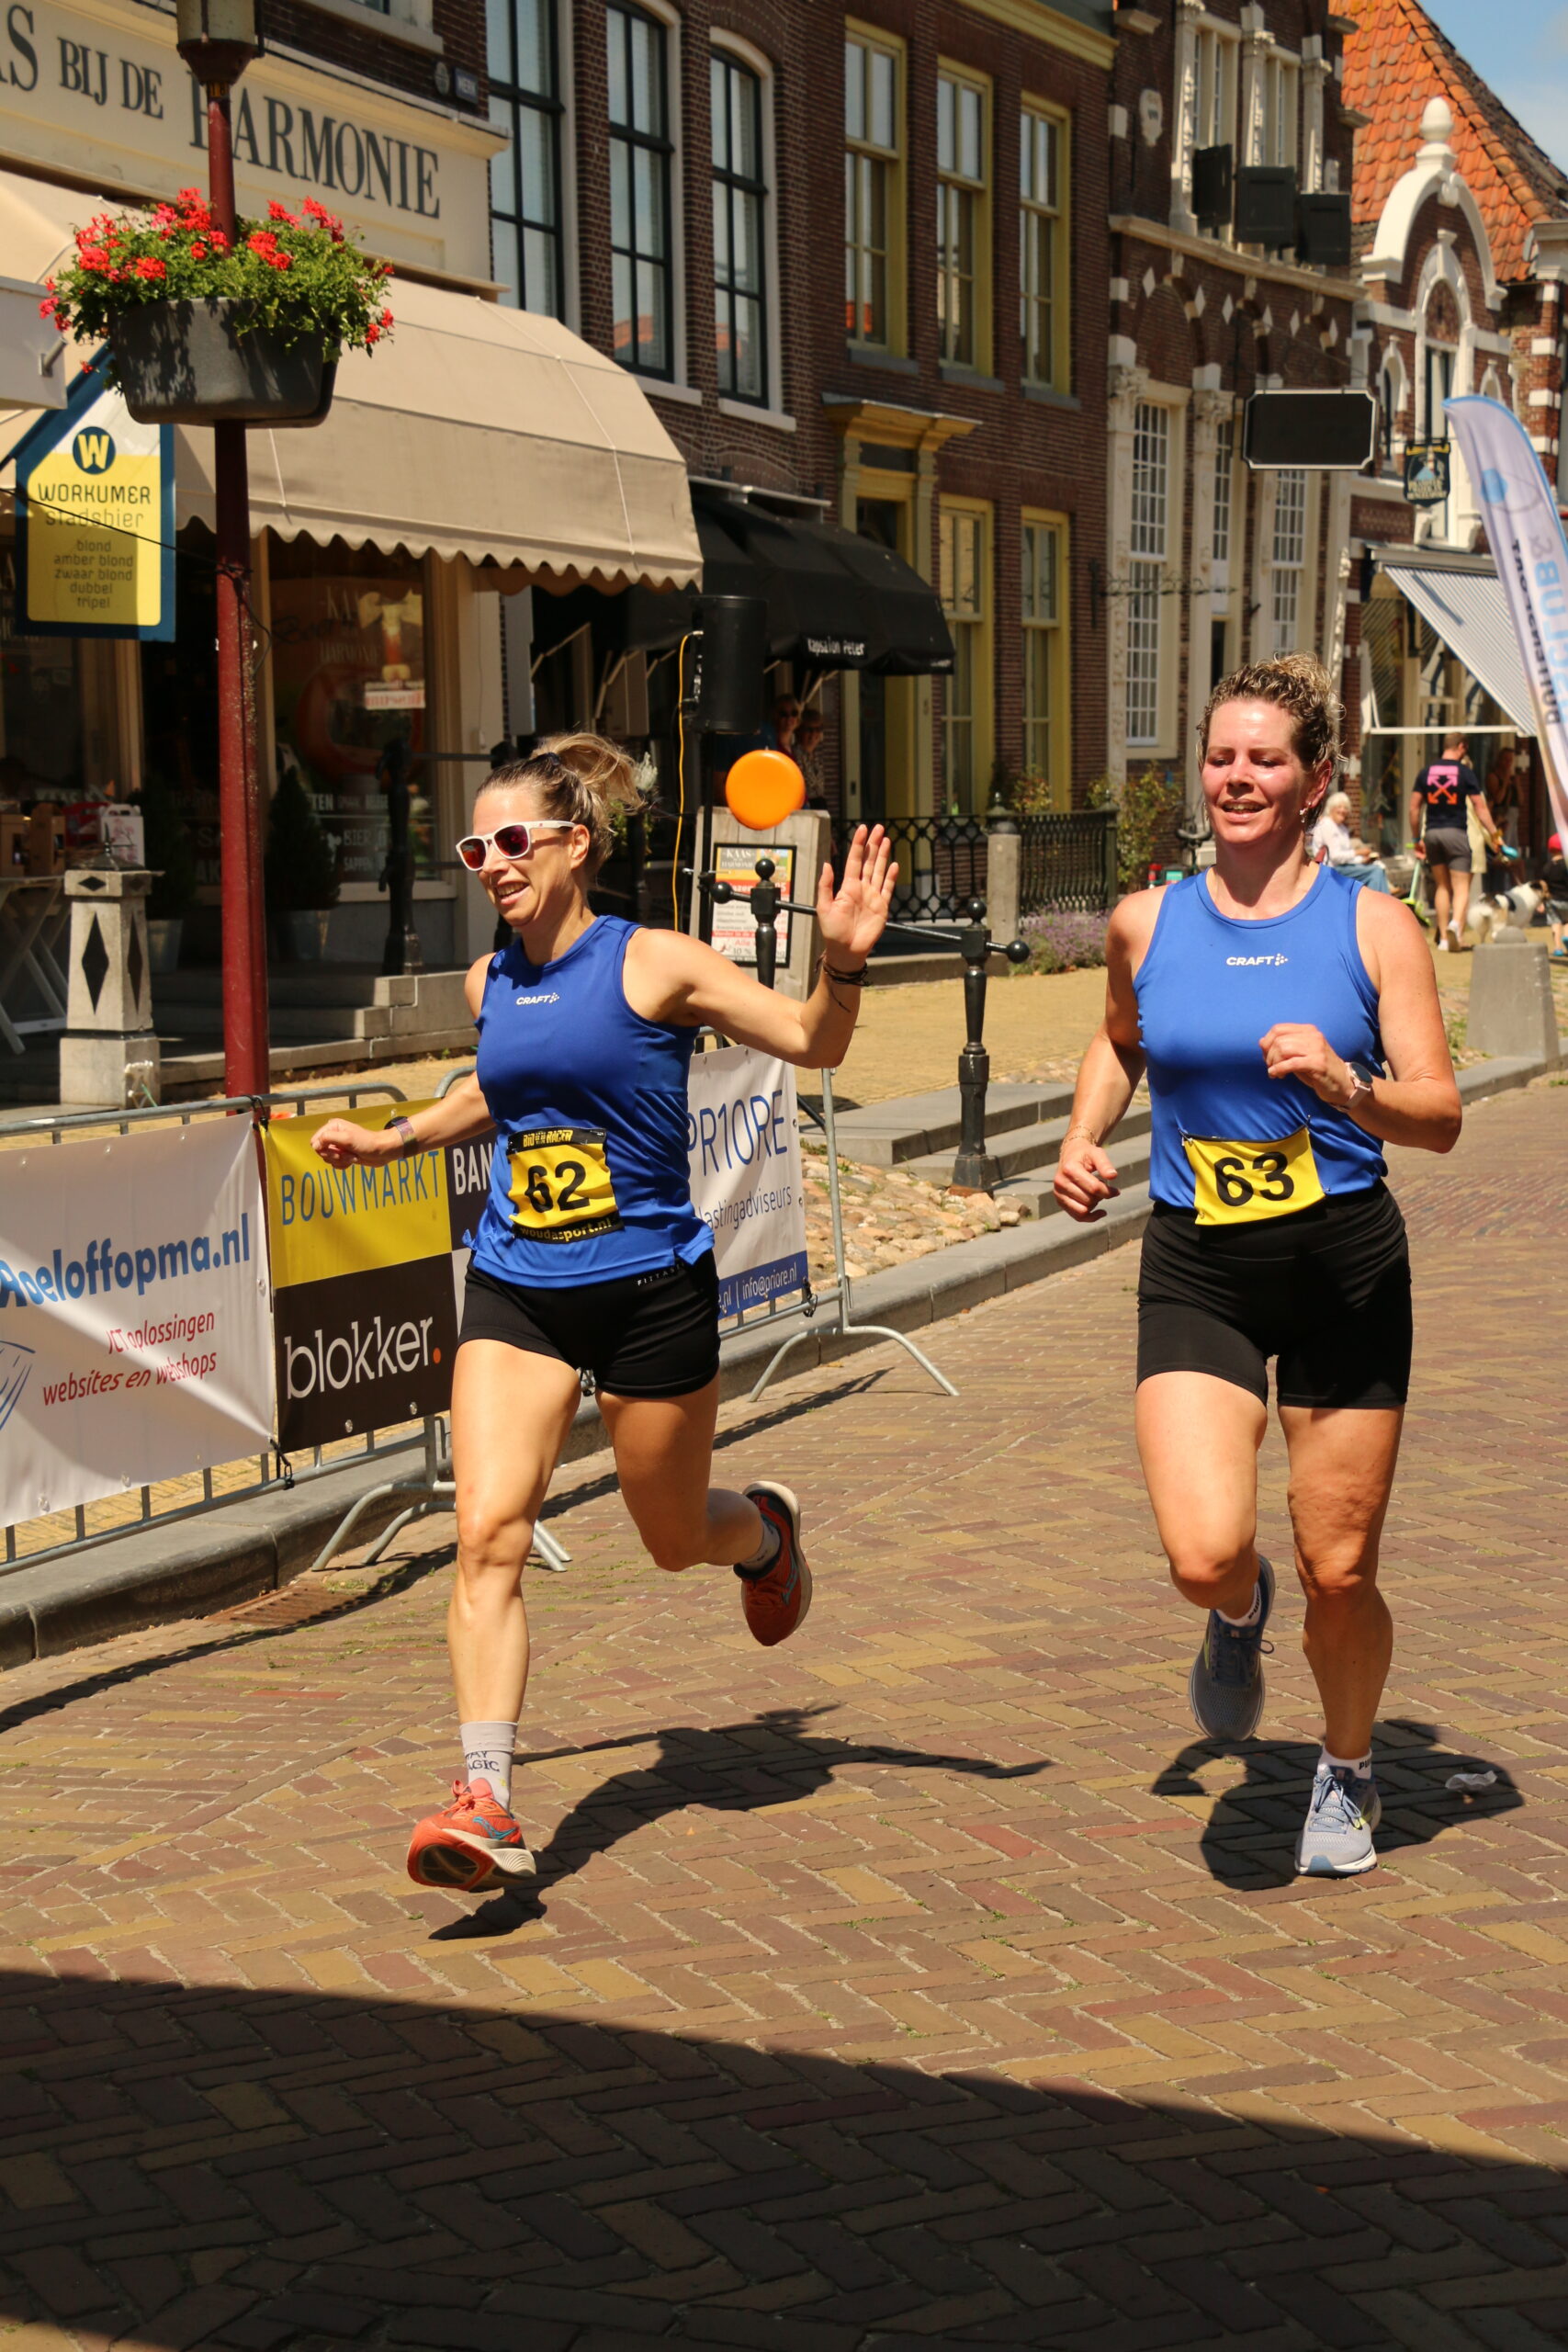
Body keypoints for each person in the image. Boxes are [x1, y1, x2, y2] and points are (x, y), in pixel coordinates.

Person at [311, 734, 897, 1894]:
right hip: (518, 1286)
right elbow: (500, 1090)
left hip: (649, 1296)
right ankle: (486, 1798)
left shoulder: (656, 963)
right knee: (487, 1532)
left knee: (672, 1539)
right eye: (475, 848)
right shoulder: (489, 981)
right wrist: (398, 1136)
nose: (491, 863)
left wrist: (842, 964)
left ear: (575, 844)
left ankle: (763, 1534)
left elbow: (811, 1041)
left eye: (511, 840)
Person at [1054, 656, 1461, 1878]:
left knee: (1339, 1569)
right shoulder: (1146, 921)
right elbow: (1118, 1040)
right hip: (1200, 1266)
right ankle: (1237, 1609)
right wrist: (1082, 1135)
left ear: (1313, 781)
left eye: (1264, 760)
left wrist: (1349, 1086)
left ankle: (1346, 1768)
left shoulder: (1373, 926)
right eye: (1221, 757)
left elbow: (1438, 1114)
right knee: (1199, 1553)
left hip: (1342, 1268)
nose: (1236, 778)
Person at [1408, 732, 1503, 951]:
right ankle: (1456, 925)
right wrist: (1495, 835)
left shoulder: (1426, 772)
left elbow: (1414, 808)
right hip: (1456, 833)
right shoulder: (1465, 772)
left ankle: (1443, 938)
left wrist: (1416, 839)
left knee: (1442, 885)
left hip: (1432, 834)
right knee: (1461, 887)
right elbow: (1480, 807)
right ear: (1461, 746)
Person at [1310, 791, 1391, 891]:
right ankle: (1380, 899)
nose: (1343, 810)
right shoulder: (1327, 825)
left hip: (1345, 867)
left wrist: (1362, 860)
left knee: (1378, 868)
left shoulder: (1342, 828)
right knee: (1375, 872)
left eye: (1345, 808)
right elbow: (1335, 857)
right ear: (1331, 808)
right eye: (1339, 807)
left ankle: (1379, 898)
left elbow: (1346, 856)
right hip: (1332, 870)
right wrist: (1358, 852)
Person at [1486, 744, 1521, 850]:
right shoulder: (1493, 777)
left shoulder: (1513, 778)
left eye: (1510, 760)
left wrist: (1517, 785)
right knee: (1503, 841)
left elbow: (1521, 801)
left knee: (1512, 842)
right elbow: (1498, 799)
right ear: (1499, 760)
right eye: (1506, 760)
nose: (1508, 763)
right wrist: (1505, 782)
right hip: (1501, 816)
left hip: (1513, 817)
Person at [795, 707, 830, 809]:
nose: (813, 734)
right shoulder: (795, 755)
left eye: (818, 729)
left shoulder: (817, 757)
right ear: (799, 731)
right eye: (809, 729)